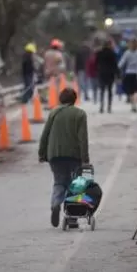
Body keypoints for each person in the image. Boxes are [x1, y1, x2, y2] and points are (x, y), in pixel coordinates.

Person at [38, 88, 89, 228]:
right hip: (74, 156)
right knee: (76, 184)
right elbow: (82, 138)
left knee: (59, 181)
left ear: (60, 99)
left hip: (55, 155)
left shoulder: (54, 112)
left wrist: (42, 153)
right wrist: (85, 158)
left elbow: (45, 134)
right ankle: (72, 217)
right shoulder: (80, 114)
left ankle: (55, 203)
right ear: (74, 99)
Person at [118, 38, 137, 111]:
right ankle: (135, 104)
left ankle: (133, 105)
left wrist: (117, 69)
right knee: (136, 90)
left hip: (129, 73)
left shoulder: (127, 52)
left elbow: (121, 63)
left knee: (130, 91)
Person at [95, 38, 119, 113]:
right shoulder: (113, 53)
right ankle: (109, 107)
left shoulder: (99, 53)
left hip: (102, 73)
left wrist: (97, 70)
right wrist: (118, 74)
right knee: (109, 90)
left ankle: (101, 106)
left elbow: (96, 62)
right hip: (110, 74)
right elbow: (115, 64)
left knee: (102, 90)